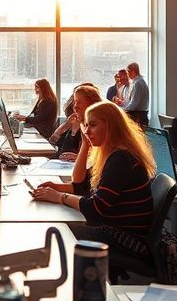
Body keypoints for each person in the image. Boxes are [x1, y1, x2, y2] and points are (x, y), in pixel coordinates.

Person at [32, 101, 156, 257]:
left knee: (56, 231)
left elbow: (96, 208)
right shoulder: (110, 153)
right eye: (86, 125)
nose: (86, 131)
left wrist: (60, 197)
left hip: (126, 240)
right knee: (56, 227)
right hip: (117, 231)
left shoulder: (121, 158)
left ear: (111, 126)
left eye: (93, 125)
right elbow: (84, 186)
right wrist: (56, 187)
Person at [49, 84, 101, 160]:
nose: (75, 107)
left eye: (78, 102)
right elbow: (53, 141)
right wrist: (66, 125)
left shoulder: (97, 126)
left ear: (92, 104)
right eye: (75, 102)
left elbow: (100, 156)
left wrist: (79, 158)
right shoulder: (76, 121)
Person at [118, 62, 149, 126]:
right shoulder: (138, 82)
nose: (127, 75)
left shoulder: (138, 83)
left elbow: (134, 104)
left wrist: (122, 110)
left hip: (138, 116)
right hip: (139, 115)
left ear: (133, 71)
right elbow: (132, 102)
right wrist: (122, 104)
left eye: (128, 72)